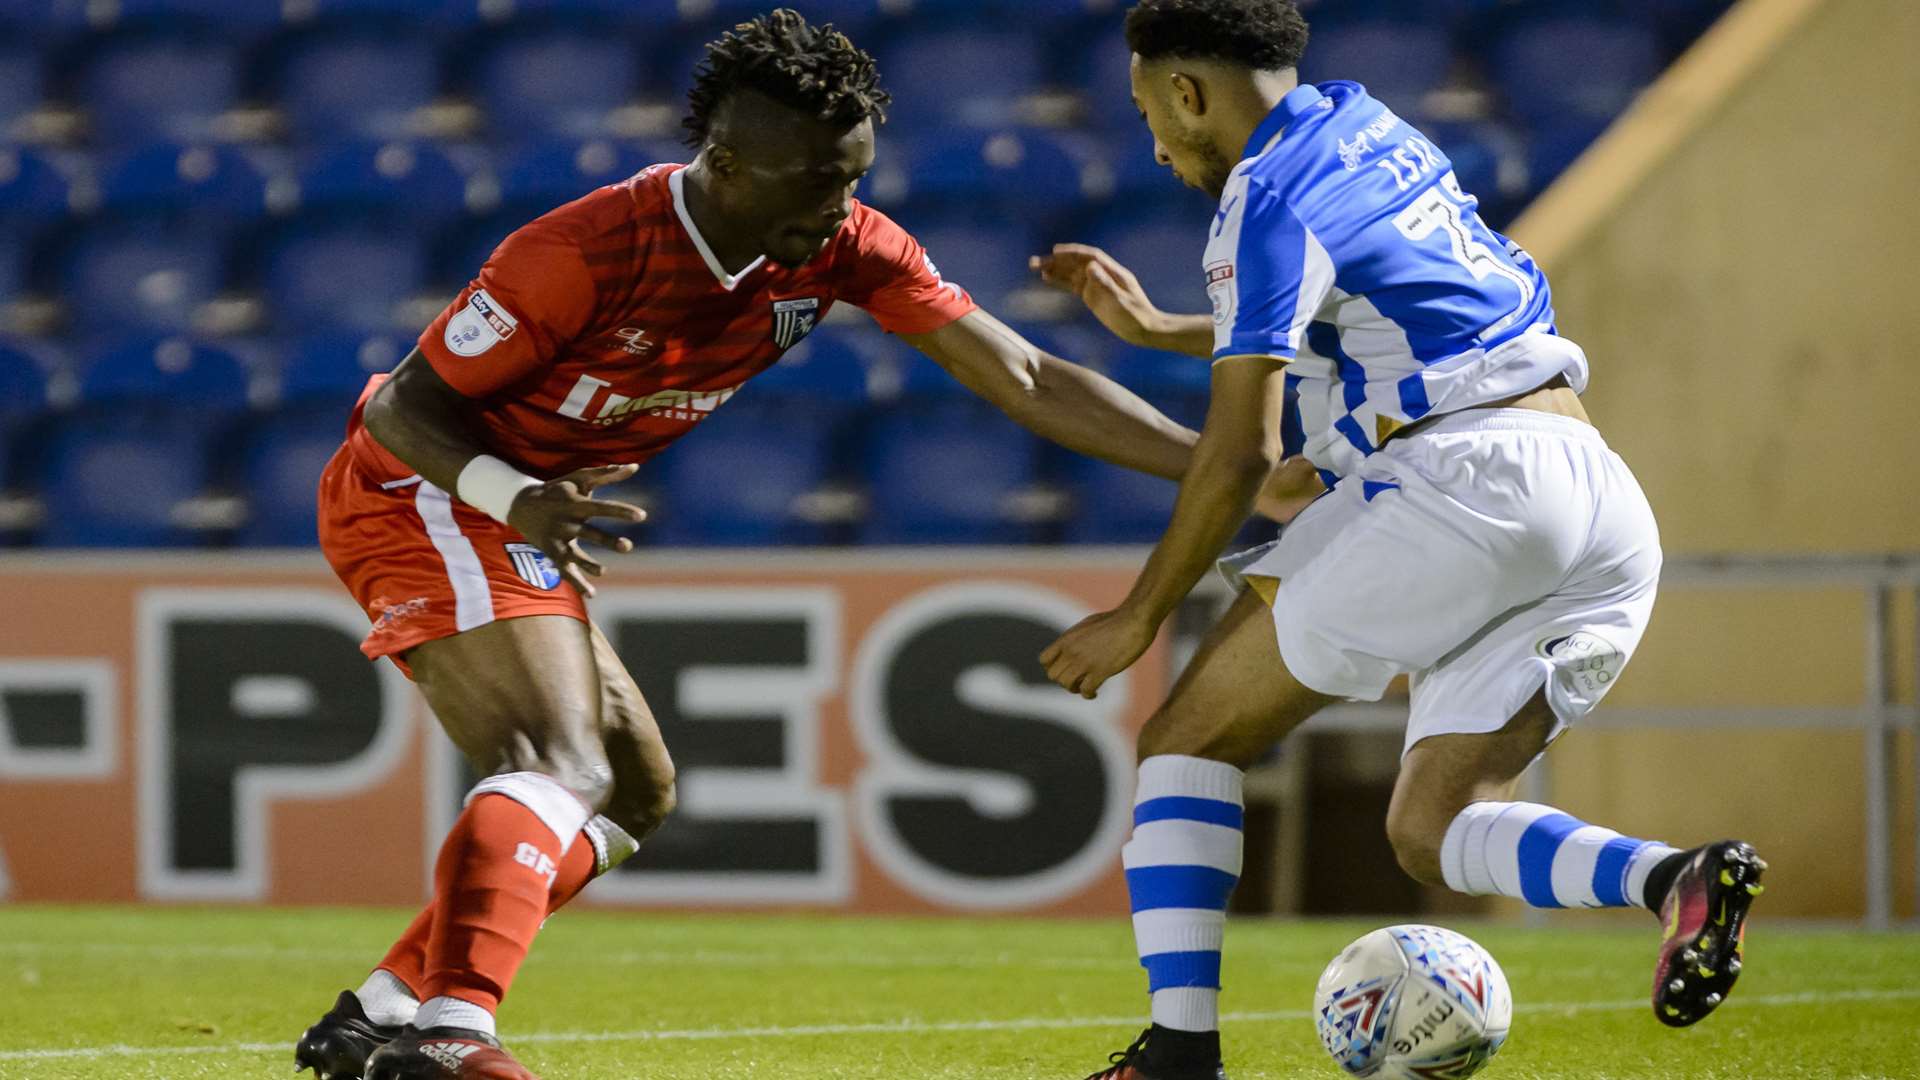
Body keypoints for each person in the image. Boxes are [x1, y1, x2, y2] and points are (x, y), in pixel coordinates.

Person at [291, 10, 1301, 1080]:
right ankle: (453, 1034)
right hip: (426, 492)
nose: (841, 208)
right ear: (727, 164)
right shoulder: (580, 252)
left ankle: (381, 1011)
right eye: (819, 182)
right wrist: (516, 496)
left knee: (634, 792)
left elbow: (1028, 377)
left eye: (853, 178)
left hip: (518, 513)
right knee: (558, 760)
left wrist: (1224, 467)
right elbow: (402, 411)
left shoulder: (847, 245)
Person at [1029, 3, 1766, 1078]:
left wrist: (1137, 617)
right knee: (1437, 825)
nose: (1153, 142)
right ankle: (1677, 881)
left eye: (1150, 112)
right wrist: (1161, 333)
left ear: (1188, 92)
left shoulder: (1261, 193)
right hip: (1594, 496)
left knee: (1188, 741)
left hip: (1463, 484)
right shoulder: (1366, 125)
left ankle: (1178, 1056)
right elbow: (1371, 303)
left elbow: (1241, 454)